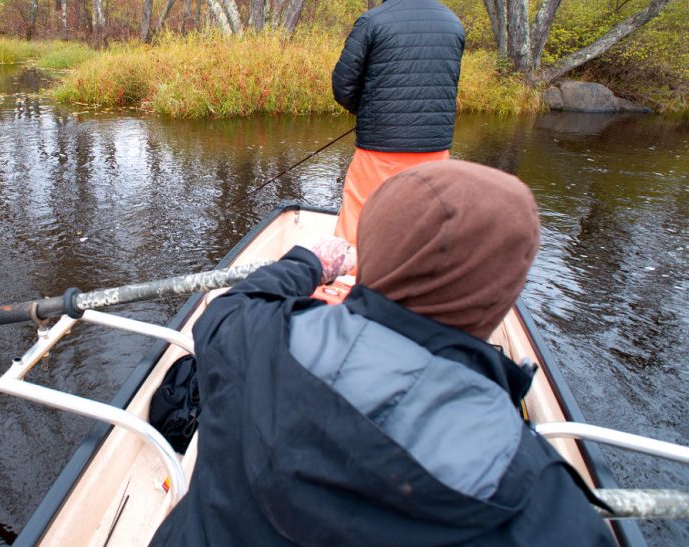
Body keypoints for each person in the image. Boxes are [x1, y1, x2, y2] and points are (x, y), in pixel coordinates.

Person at [150, 160, 615, 547]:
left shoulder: (249, 336)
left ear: (370, 246)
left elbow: (228, 308)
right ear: (500, 293)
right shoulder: (545, 503)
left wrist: (307, 264)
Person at [331, 0, 466, 246]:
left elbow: (343, 87)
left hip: (381, 152)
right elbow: (447, 85)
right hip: (436, 154)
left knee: (359, 221)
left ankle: (351, 285)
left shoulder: (372, 21)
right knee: (420, 226)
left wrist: (372, 112)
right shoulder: (453, 23)